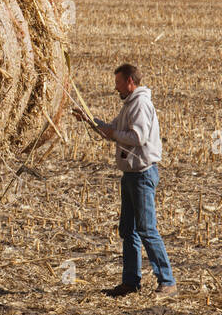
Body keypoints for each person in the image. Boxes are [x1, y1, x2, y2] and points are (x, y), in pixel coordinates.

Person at [74, 64, 177, 298]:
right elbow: (113, 130)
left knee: (147, 229)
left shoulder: (140, 103)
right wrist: (90, 120)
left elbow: (138, 137)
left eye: (119, 82)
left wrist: (113, 134)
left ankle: (167, 282)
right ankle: (130, 282)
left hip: (142, 175)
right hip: (131, 175)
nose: (115, 87)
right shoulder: (130, 104)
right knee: (128, 230)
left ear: (130, 81)